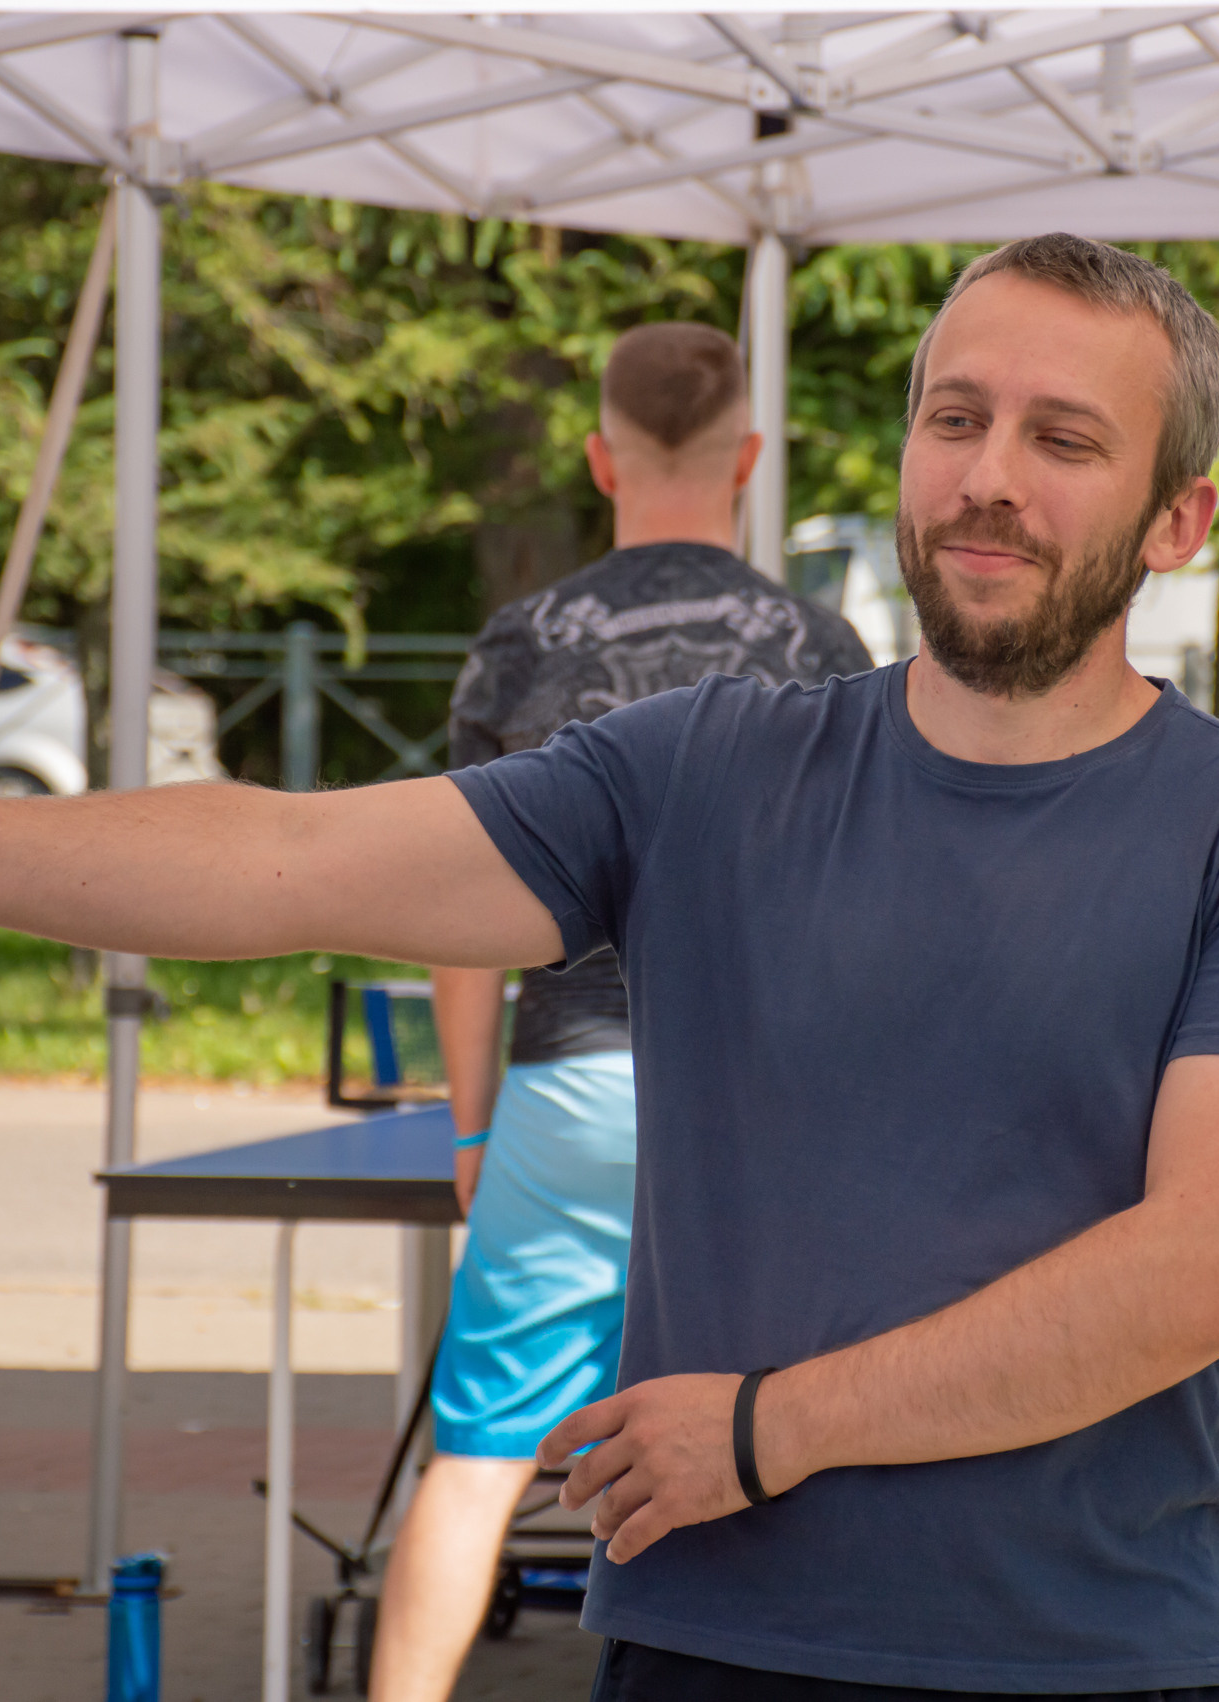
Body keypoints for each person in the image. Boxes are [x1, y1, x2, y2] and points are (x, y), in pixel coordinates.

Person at [0, 232, 1219, 1699]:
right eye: (956, 416)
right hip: (712, 1644)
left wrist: (766, 1431)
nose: (989, 474)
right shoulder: (705, 766)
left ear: (1178, 520)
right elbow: (279, 857)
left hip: (1097, 1660)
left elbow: (1201, 1267)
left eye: (1065, 438)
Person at [381, 321, 870, 1702]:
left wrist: (473, 1129)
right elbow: (859, 904)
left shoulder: (519, 643)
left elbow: (455, 920)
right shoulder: (820, 643)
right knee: (771, 1446)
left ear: (600, 459)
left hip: (572, 1088)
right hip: (764, 1109)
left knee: (477, 1457)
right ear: (749, 459)